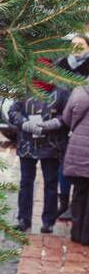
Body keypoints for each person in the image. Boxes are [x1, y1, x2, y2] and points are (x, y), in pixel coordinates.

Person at [8, 76, 70, 234]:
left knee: (50, 182)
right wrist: (24, 123)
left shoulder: (61, 91)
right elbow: (12, 111)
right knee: (26, 182)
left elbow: (68, 113)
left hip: (51, 144)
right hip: (27, 144)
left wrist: (55, 123)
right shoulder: (24, 88)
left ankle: (48, 221)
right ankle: (23, 219)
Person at [55, 35, 89, 219]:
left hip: (82, 121)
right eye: (73, 45)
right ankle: (63, 200)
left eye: (81, 45)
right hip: (63, 117)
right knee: (64, 163)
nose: (77, 48)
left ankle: (76, 203)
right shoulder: (62, 64)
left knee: (80, 164)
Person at [62, 82, 89, 245]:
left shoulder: (78, 92)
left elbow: (66, 118)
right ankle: (87, 236)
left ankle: (75, 233)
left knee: (79, 192)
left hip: (77, 150)